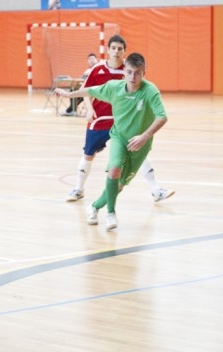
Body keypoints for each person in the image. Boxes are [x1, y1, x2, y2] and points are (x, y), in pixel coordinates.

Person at [55, 52, 168, 230]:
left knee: (119, 186)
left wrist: (144, 136)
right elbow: (91, 90)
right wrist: (69, 96)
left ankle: (94, 207)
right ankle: (111, 213)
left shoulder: (150, 91)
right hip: (119, 138)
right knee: (114, 170)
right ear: (124, 71)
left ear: (144, 72)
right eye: (129, 72)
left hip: (141, 145)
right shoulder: (114, 87)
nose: (133, 77)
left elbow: (162, 117)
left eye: (138, 73)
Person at [65, 35, 175, 204]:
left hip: (124, 123)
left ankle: (156, 190)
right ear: (108, 50)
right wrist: (89, 108)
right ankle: (78, 189)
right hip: (100, 120)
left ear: (124, 51)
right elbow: (86, 90)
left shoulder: (130, 70)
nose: (116, 51)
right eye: (113, 48)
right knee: (88, 154)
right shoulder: (98, 69)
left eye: (120, 49)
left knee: (138, 152)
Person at [62, 52, 98, 117]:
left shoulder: (98, 68)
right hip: (86, 89)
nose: (91, 61)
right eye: (90, 59)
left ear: (96, 60)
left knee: (82, 93)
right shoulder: (87, 70)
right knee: (74, 90)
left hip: (95, 90)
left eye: (93, 59)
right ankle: (72, 110)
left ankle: (70, 110)